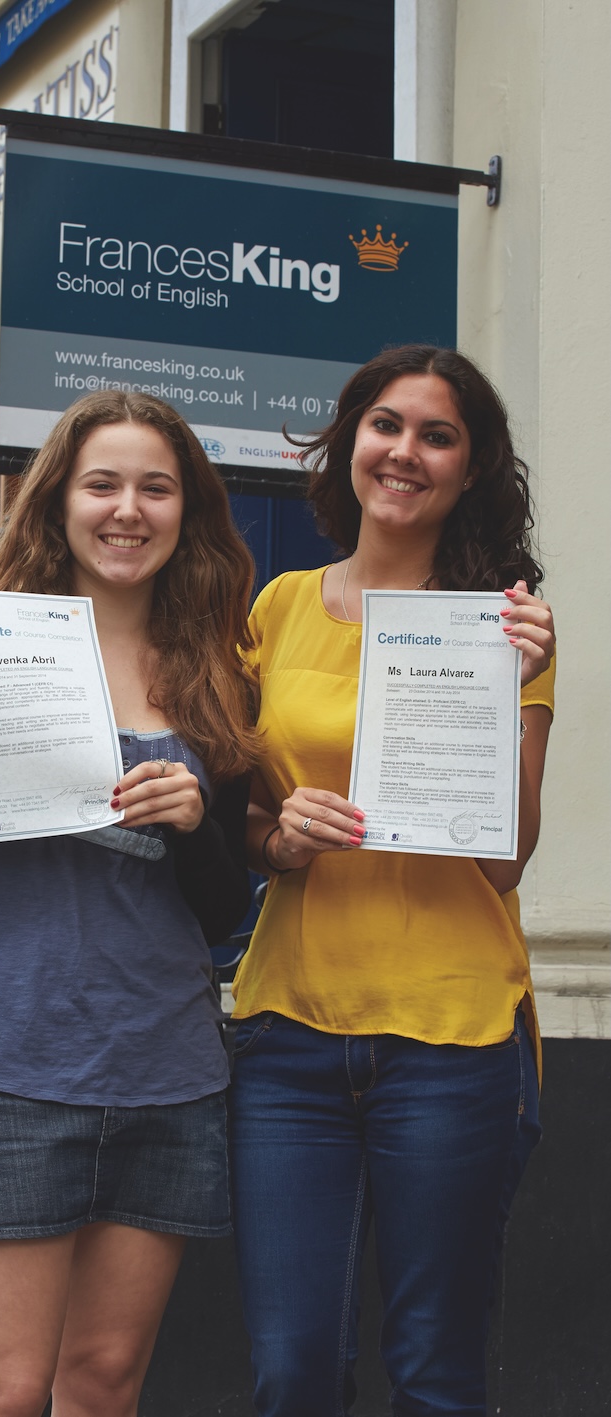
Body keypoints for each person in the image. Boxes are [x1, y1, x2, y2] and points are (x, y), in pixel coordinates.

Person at [0, 390, 259, 1417]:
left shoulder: (219, 680)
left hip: (167, 1073)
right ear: (56, 501)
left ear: (186, 511)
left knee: (102, 1384)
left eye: (155, 488)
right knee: (1, 1393)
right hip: (2, 1062)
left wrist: (195, 824)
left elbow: (223, 911)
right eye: (102, 484)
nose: (127, 509)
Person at [228, 345, 556, 1417]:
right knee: (291, 1370)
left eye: (437, 435)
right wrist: (279, 838)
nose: (405, 451)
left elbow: (503, 860)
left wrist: (504, 688)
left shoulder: (503, 625)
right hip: (288, 1035)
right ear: (349, 441)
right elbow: (241, 819)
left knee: (434, 1374)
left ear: (471, 467)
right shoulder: (275, 608)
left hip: (453, 1039)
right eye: (386, 424)